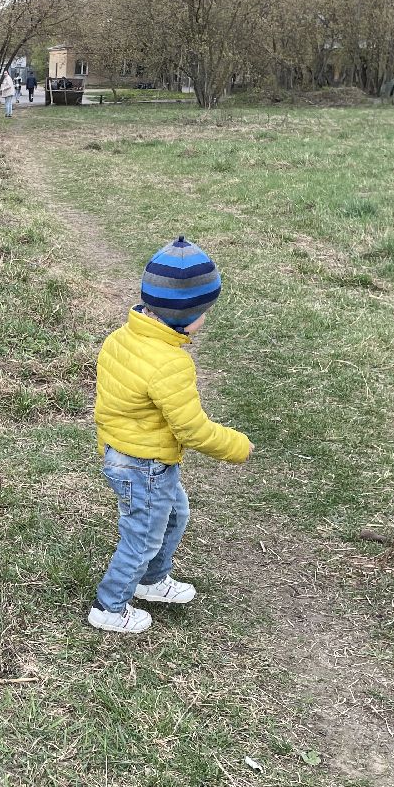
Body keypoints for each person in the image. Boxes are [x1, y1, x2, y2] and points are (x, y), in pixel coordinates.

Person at [88, 237, 252, 634]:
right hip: (144, 465)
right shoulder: (170, 364)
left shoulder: (123, 337)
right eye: (204, 312)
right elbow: (192, 429)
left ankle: (151, 581)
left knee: (174, 515)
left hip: (129, 453)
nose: (205, 320)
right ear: (187, 314)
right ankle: (109, 606)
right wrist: (237, 447)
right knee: (142, 537)